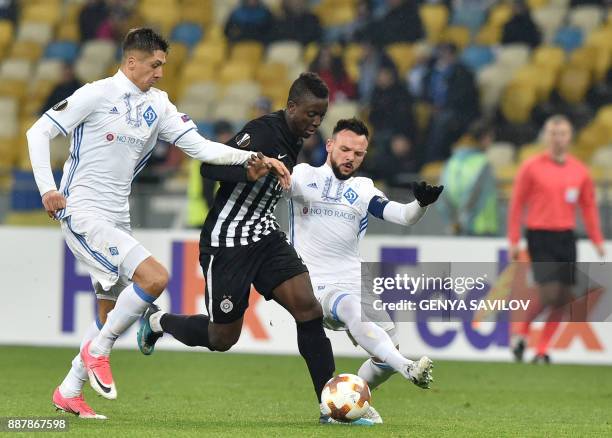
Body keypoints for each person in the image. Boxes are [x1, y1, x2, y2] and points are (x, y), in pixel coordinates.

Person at [26, 28, 287, 419]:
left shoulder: (159, 104)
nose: (160, 72)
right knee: (154, 278)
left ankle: (69, 390)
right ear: (132, 62)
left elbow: (199, 147)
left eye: (162, 65)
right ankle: (97, 352)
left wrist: (256, 158)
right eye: (155, 65)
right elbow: (38, 132)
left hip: (118, 215)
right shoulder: (96, 94)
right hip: (82, 210)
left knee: (109, 311)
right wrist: (48, 189)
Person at [137, 73, 352, 425]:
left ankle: (331, 407)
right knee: (222, 337)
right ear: (292, 106)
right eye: (310, 114)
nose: (315, 122)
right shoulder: (264, 132)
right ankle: (158, 321)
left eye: (321, 115)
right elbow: (208, 167)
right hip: (229, 240)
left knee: (308, 308)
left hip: (264, 234)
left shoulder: (298, 138)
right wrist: (247, 172)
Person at [286, 118, 441, 423]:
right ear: (330, 146)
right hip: (314, 282)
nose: (350, 158)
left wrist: (420, 204)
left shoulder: (362, 187)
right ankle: (409, 368)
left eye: (358, 154)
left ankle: (344, 403)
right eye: (344, 149)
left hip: (355, 279)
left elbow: (401, 215)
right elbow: (272, 186)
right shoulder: (304, 176)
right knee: (353, 310)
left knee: (386, 354)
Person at [508, 115, 605, 364]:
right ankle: (521, 332)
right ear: (546, 136)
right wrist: (514, 239)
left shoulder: (579, 170)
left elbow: (588, 207)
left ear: (569, 137)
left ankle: (542, 349)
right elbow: (517, 204)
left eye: (562, 133)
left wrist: (596, 239)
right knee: (550, 293)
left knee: (565, 298)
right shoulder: (531, 167)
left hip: (566, 237)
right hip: (540, 235)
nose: (558, 138)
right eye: (553, 133)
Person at [438, 120, 499, 236]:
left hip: (457, 229)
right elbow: (475, 195)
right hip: (482, 229)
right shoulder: (482, 164)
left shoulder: (451, 162)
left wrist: (454, 223)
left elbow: (442, 195)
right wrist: (464, 220)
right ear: (485, 138)